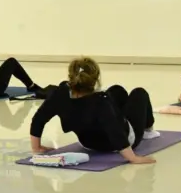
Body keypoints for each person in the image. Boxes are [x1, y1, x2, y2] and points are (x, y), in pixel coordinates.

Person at [30, 57, 159, 165]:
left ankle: (125, 116)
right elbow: (115, 132)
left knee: (117, 90)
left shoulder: (60, 94)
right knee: (139, 93)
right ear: (95, 79)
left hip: (87, 142)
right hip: (120, 143)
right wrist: (133, 158)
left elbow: (38, 119)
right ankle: (148, 130)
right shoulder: (101, 102)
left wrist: (36, 148)